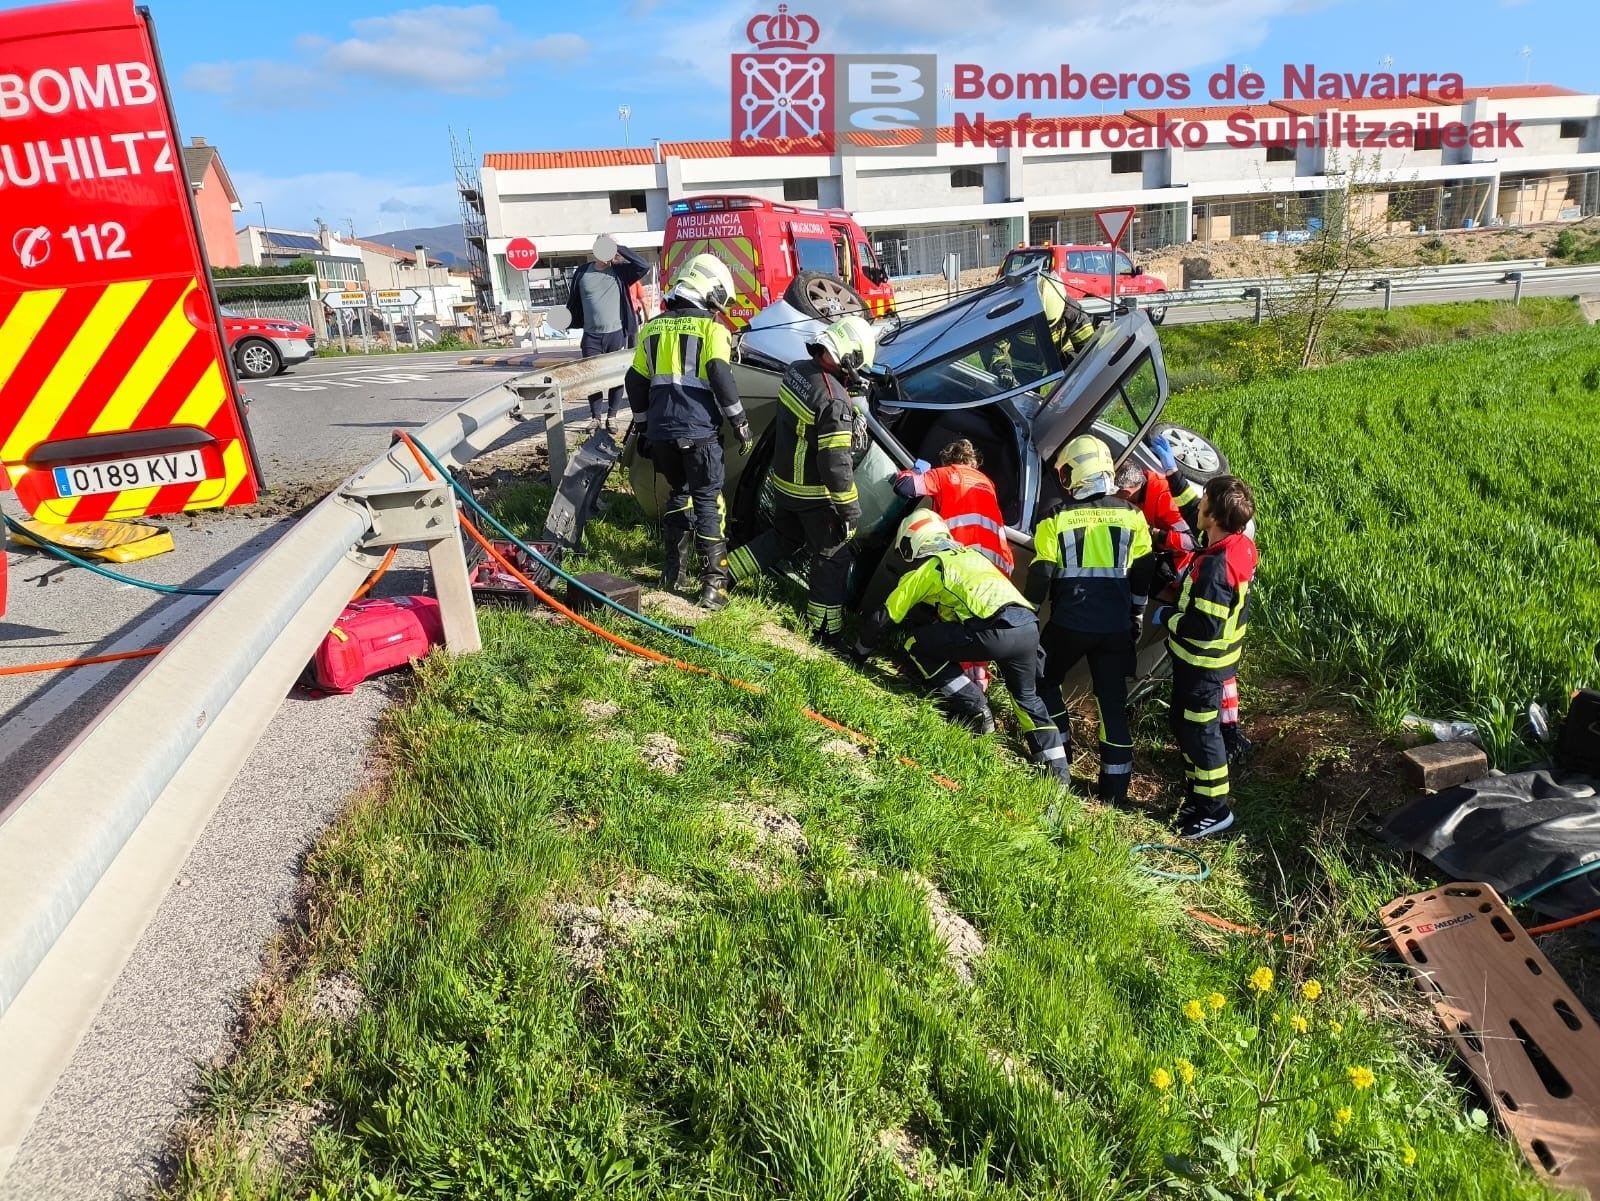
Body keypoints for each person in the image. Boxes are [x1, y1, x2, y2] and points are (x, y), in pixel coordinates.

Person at [850, 510, 1070, 787]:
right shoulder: (972, 557)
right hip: (1027, 628)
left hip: (994, 631)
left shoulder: (931, 567)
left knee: (916, 644)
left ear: (914, 542)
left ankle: (974, 706)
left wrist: (857, 654)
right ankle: (1058, 777)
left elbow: (886, 616)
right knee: (1027, 699)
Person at [727, 314, 875, 644]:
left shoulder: (797, 369)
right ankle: (824, 630)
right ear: (848, 357)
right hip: (812, 492)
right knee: (833, 556)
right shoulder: (834, 400)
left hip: (784, 483)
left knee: (784, 538)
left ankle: (725, 570)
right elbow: (836, 465)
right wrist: (849, 512)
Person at [1028, 435, 1154, 805]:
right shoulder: (1133, 516)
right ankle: (1114, 795)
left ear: (1075, 474)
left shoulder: (1057, 516)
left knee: (1045, 681)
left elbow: (1041, 571)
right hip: (1115, 628)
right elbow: (1143, 567)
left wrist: (1030, 614)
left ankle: (1059, 757)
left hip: (1069, 624)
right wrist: (1137, 611)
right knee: (1112, 705)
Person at [625, 254, 753, 610]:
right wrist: (740, 422)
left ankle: (673, 573)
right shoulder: (713, 330)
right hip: (698, 432)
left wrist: (644, 425)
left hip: (662, 433)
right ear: (709, 293)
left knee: (678, 496)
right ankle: (714, 586)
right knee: (708, 501)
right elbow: (720, 375)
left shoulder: (651, 328)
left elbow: (634, 380)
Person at [1151, 475, 1258, 840]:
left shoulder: (1215, 567)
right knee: (1184, 725)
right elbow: (1191, 508)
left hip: (1203, 663)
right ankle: (1198, 797)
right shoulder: (1237, 543)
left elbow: (1204, 626)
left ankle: (1215, 810)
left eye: (1204, 502)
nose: (1198, 506)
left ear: (1213, 516)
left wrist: (1168, 616)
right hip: (1206, 663)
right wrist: (1173, 476)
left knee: (1201, 733)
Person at [568, 234, 650, 436]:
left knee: (615, 377)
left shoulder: (621, 272)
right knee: (591, 378)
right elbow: (573, 299)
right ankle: (595, 417)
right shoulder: (582, 272)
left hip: (616, 333)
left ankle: (611, 417)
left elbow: (643, 265)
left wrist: (618, 247)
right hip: (591, 335)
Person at [893, 438, 1013, 574]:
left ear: (946, 462)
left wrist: (915, 471)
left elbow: (904, 486)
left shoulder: (948, 474)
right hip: (1000, 567)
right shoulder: (987, 483)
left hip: (964, 561)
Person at [1114, 432, 1201, 590]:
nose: (1111, 497)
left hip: (1183, 565)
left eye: (1113, 493)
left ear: (1126, 493)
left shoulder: (1166, 500)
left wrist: (1154, 533)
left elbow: (1192, 542)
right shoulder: (1142, 485)